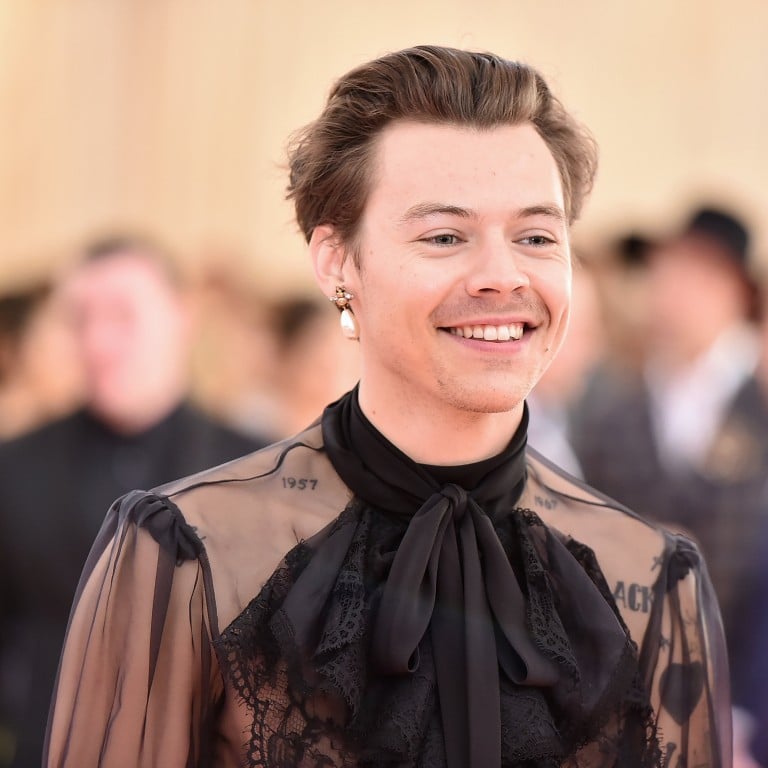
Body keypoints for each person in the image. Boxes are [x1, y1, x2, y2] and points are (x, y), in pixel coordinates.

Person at [45, 47, 730, 767]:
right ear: (338, 263)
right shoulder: (188, 551)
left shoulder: (654, 581)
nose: (502, 276)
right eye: (444, 236)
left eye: (535, 236)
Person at [0, 235, 271, 768]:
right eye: (82, 319)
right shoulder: (13, 467)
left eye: (122, 316)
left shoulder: (256, 469)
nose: (99, 341)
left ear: (182, 315)